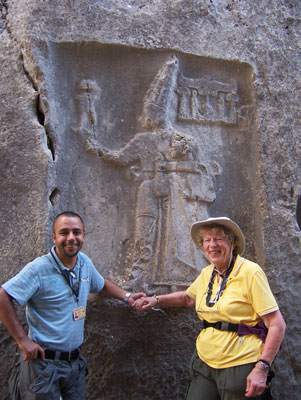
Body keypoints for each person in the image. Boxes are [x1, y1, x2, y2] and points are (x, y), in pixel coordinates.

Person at [135, 217, 286, 400]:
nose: (212, 245)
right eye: (207, 240)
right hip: (205, 362)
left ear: (232, 243)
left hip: (241, 363)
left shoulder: (250, 272)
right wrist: (156, 300)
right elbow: (187, 298)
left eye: (218, 239)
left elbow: (277, 324)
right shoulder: (208, 273)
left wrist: (262, 368)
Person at [0, 211, 145, 400]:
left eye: (76, 232)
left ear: (83, 236)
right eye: (64, 232)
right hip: (43, 364)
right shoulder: (39, 269)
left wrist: (128, 297)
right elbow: (3, 295)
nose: (71, 238)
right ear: (54, 237)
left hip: (73, 363)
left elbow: (101, 284)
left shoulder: (84, 263)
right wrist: (22, 340)